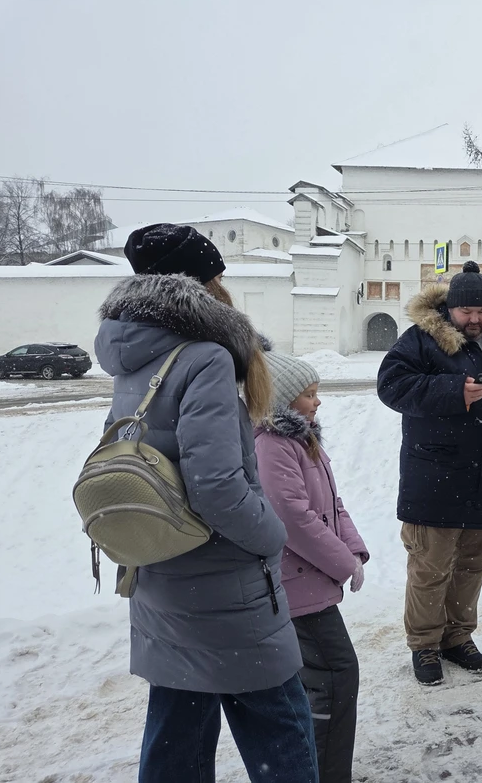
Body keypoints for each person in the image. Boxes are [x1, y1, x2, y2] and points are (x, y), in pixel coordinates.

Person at [94, 224, 316, 783]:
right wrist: (272, 537)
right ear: (203, 286)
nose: (227, 288)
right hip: (227, 590)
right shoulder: (206, 357)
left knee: (177, 740)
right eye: (219, 276)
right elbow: (217, 486)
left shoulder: (135, 354)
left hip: (161, 574)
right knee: (281, 732)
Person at [377, 261, 482, 686]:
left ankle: (457, 637)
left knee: (472, 565)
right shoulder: (421, 340)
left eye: (481, 311)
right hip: (435, 474)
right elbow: (391, 386)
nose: (474, 319)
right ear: (450, 309)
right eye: (465, 312)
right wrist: (454, 391)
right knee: (431, 568)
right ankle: (425, 644)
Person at [255, 350, 370, 783]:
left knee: (321, 681)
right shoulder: (273, 444)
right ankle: (325, 774)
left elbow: (331, 505)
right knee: (336, 677)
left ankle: (314, 768)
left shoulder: (303, 439)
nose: (317, 401)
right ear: (283, 400)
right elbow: (292, 515)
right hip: (297, 584)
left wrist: (353, 549)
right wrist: (342, 563)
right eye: (308, 394)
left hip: (309, 581)